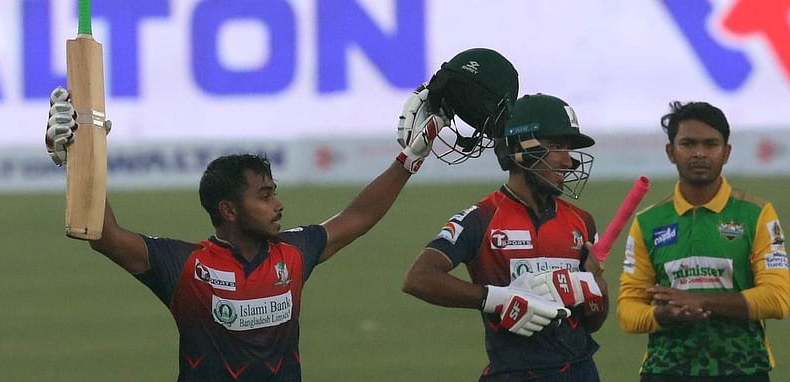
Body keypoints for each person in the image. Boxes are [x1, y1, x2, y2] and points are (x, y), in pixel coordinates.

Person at [45, 48, 519, 381]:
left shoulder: (292, 254)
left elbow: (356, 217)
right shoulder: (185, 267)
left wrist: (408, 161)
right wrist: (76, 156)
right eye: (265, 196)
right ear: (229, 210)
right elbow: (102, 233)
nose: (279, 205)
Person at [402, 93, 609, 381]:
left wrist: (592, 287)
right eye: (557, 146)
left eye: (569, 148)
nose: (568, 160)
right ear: (521, 148)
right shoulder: (481, 218)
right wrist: (496, 299)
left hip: (581, 371)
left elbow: (594, 321)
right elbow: (418, 279)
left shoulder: (582, 221)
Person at [617, 101, 790, 382]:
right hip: (665, 371)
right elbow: (628, 310)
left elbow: (778, 299)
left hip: (743, 369)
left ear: (727, 152)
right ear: (671, 152)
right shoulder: (648, 222)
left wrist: (701, 300)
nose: (699, 153)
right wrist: (664, 315)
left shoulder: (757, 214)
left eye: (711, 144)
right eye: (688, 144)